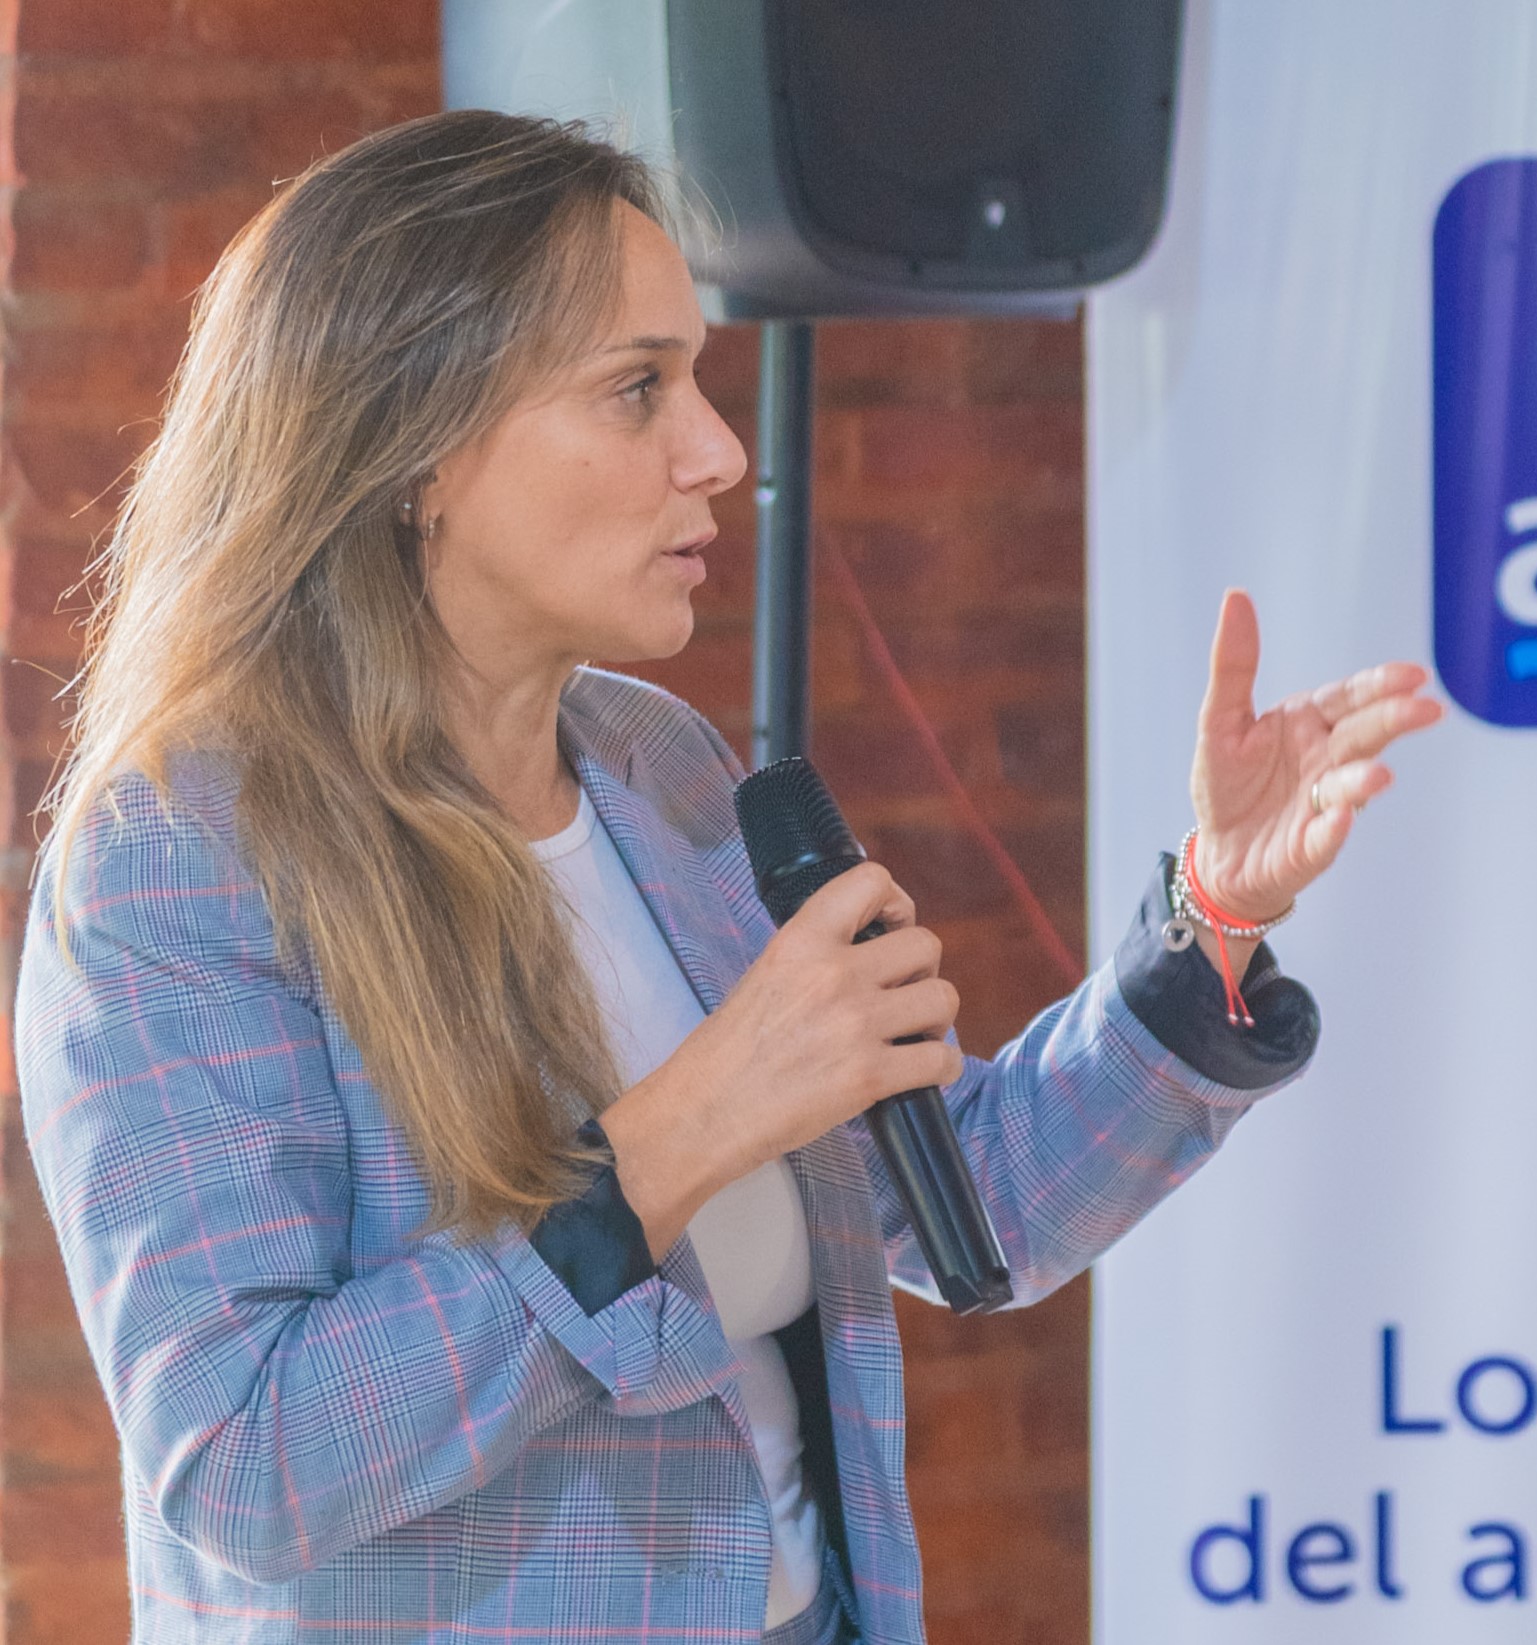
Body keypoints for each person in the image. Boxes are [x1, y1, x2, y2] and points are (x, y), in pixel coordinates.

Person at [14, 110, 1441, 1644]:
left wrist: (1216, 909)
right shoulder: (178, 856)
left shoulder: (659, 765)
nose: (718, 451)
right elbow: (245, 1460)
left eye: (692, 379)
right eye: (637, 389)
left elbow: (975, 1198)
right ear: (416, 448)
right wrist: (688, 1124)